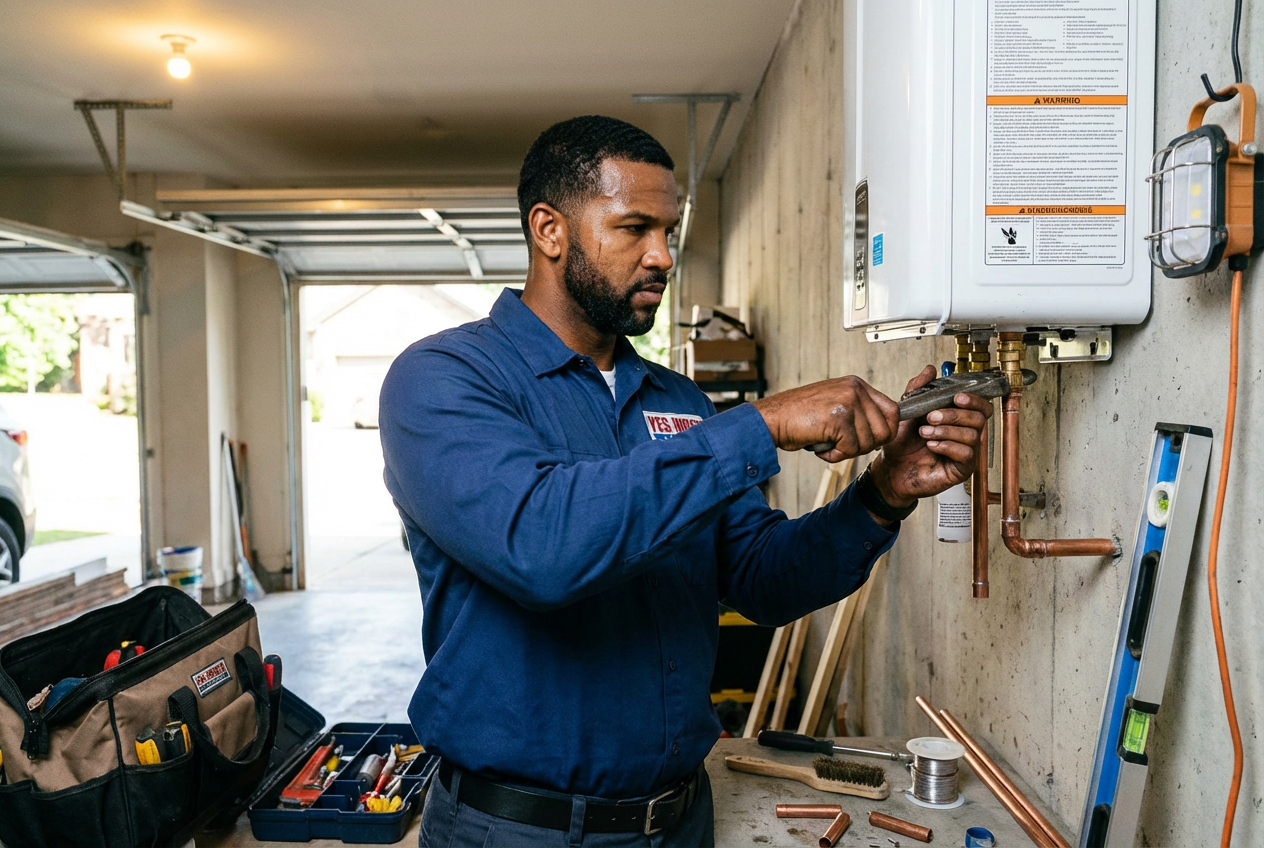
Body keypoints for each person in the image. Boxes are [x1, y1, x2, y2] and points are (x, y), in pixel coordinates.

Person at [379, 115, 990, 847]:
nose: (663, 255)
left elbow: (763, 579)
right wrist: (758, 425)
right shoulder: (445, 380)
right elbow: (542, 547)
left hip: (677, 822)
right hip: (517, 830)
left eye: (669, 230)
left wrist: (882, 493)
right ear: (550, 230)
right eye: (634, 228)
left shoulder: (677, 402)